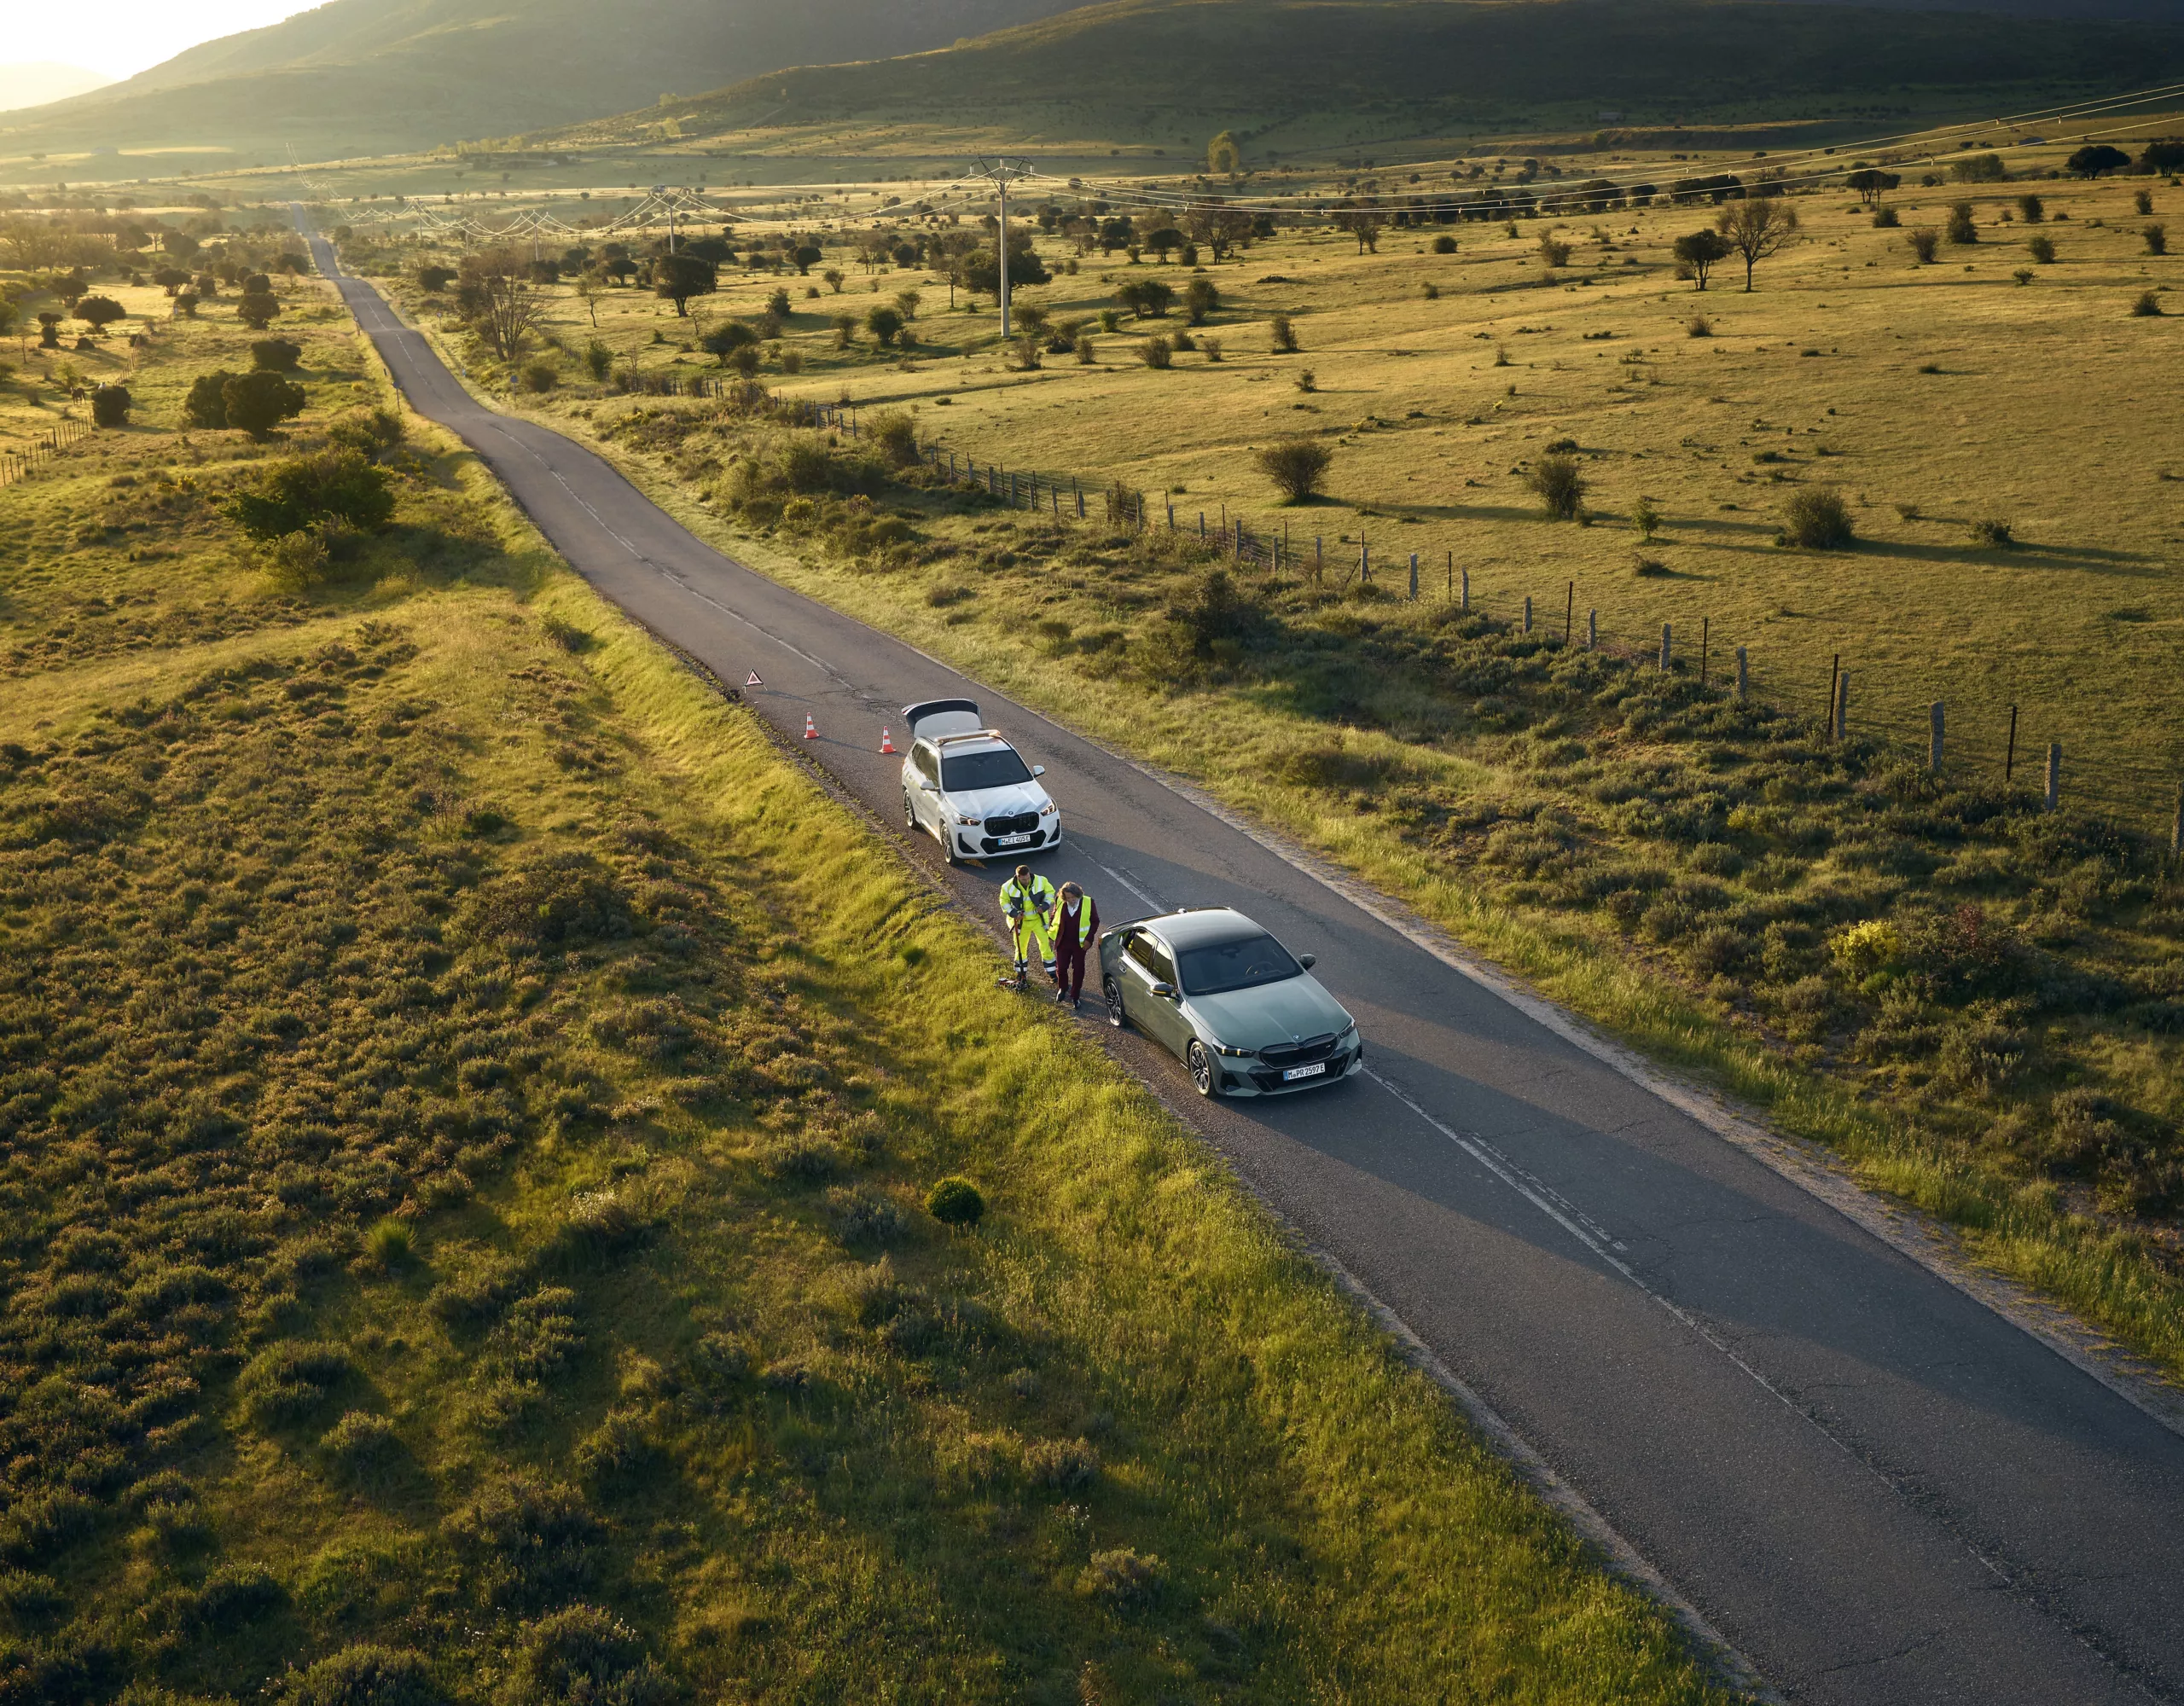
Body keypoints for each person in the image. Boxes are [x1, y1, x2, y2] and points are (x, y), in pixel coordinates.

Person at [998, 864, 1058, 991]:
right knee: (1020, 949)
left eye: (1028, 878)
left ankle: (1053, 973)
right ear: (1018, 877)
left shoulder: (1041, 880)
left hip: (1039, 920)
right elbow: (1004, 902)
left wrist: (1045, 905)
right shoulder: (1007, 886)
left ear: (1029, 874)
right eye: (1024, 879)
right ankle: (1021, 974)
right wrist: (1014, 914)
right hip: (1021, 923)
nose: (1027, 881)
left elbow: (1050, 892)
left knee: (1046, 946)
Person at [1051, 881, 1100, 1009]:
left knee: (1078, 969)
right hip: (1063, 941)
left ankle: (1075, 995)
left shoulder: (1089, 902)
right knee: (1061, 968)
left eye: (1073, 897)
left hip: (1080, 944)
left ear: (1078, 895)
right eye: (1068, 898)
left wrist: (1089, 939)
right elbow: (1054, 915)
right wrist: (1051, 930)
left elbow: (1095, 921)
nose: (1071, 900)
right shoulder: (1059, 901)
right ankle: (1062, 988)